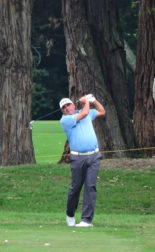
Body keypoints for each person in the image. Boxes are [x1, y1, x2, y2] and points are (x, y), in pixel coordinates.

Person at [59, 94, 105, 227]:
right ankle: (70, 213)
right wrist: (86, 102)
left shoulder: (85, 112)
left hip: (94, 156)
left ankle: (86, 220)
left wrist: (94, 100)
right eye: (64, 107)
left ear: (73, 105)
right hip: (77, 158)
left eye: (68, 105)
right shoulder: (65, 120)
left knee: (90, 186)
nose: (67, 108)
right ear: (63, 111)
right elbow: (85, 112)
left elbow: (102, 111)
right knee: (76, 187)